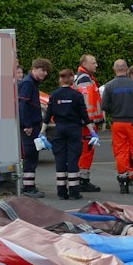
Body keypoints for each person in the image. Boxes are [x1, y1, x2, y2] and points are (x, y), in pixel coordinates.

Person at [101, 59, 133, 194]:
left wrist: (115, 111)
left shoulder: (109, 86)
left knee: (120, 151)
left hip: (118, 122)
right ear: (127, 70)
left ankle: (123, 181)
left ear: (114, 69)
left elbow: (104, 106)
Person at [44, 67, 90, 201]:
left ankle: (61, 192)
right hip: (74, 130)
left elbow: (48, 115)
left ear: (60, 79)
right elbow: (84, 116)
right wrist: (93, 132)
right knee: (73, 159)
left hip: (59, 130)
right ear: (71, 79)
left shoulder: (54, 95)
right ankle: (74, 192)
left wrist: (41, 132)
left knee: (60, 159)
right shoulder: (77, 95)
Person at [16, 58, 50, 196]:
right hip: (30, 126)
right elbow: (23, 106)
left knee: (32, 155)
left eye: (46, 71)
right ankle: (28, 188)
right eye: (43, 70)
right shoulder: (28, 83)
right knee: (30, 155)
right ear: (34, 69)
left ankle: (29, 185)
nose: (45, 73)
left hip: (33, 125)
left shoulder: (31, 83)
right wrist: (27, 125)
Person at [73, 54, 103, 192]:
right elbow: (87, 103)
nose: (96, 65)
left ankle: (81, 179)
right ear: (84, 64)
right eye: (93, 63)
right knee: (86, 151)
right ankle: (83, 181)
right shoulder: (85, 79)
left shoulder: (83, 77)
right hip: (87, 124)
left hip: (85, 123)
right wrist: (90, 123)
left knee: (85, 151)